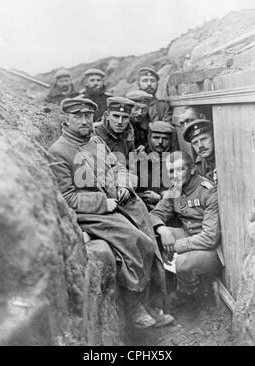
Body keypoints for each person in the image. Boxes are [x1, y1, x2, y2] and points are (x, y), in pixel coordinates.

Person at [48, 96, 173, 328]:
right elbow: (67, 198)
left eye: (87, 116)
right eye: (78, 116)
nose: (84, 121)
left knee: (148, 234)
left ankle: (152, 302)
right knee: (135, 240)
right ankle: (134, 305)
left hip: (119, 200)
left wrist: (124, 184)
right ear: (66, 119)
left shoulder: (95, 141)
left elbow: (118, 166)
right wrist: (104, 203)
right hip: (92, 213)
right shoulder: (58, 151)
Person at [150, 151, 222, 298]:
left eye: (180, 169)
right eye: (171, 171)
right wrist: (163, 230)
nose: (175, 175)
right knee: (151, 239)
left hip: (212, 250)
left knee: (182, 263)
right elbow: (154, 215)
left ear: (193, 169)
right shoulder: (174, 190)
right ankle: (163, 289)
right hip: (189, 237)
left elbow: (210, 237)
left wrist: (178, 246)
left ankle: (187, 297)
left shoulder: (207, 191)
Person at [136, 121, 177, 211]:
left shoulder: (177, 162)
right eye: (156, 137)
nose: (160, 142)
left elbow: (184, 194)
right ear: (149, 138)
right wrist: (144, 197)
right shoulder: (138, 159)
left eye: (165, 139)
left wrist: (160, 197)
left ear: (171, 140)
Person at [94, 97, 135, 169]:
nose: (120, 122)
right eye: (116, 116)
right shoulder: (94, 133)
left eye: (125, 117)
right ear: (107, 116)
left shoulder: (128, 135)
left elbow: (130, 165)